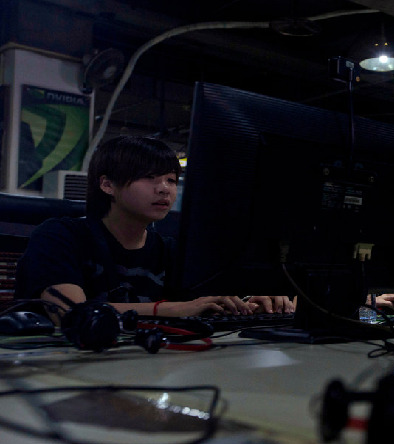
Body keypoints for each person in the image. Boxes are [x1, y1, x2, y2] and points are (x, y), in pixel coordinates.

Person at [14, 135, 293, 318]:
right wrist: (170, 309)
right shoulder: (60, 235)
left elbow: (199, 303)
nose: (164, 189)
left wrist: (247, 302)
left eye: (171, 180)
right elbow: (71, 313)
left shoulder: (170, 250)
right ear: (107, 185)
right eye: (149, 177)